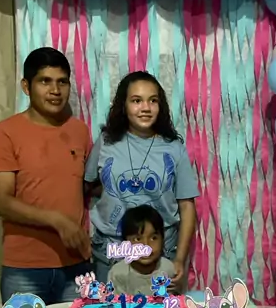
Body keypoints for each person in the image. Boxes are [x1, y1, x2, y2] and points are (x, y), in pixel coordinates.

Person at [0, 47, 92, 305]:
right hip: (25, 269)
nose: (55, 90)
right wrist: (57, 221)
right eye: (45, 81)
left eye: (62, 82)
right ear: (26, 87)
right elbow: (2, 202)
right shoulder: (4, 133)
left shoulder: (79, 131)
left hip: (77, 267)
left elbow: (82, 187)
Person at [85, 70, 198, 290]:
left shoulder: (174, 147)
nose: (145, 108)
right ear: (124, 105)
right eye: (136, 101)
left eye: (152, 101)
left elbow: (187, 206)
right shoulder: (106, 142)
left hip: (160, 254)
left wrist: (179, 259)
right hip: (112, 251)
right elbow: (89, 185)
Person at [108, 205, 175, 296]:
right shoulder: (118, 273)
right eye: (137, 239)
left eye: (153, 238)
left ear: (162, 240)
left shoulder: (169, 269)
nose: (146, 245)